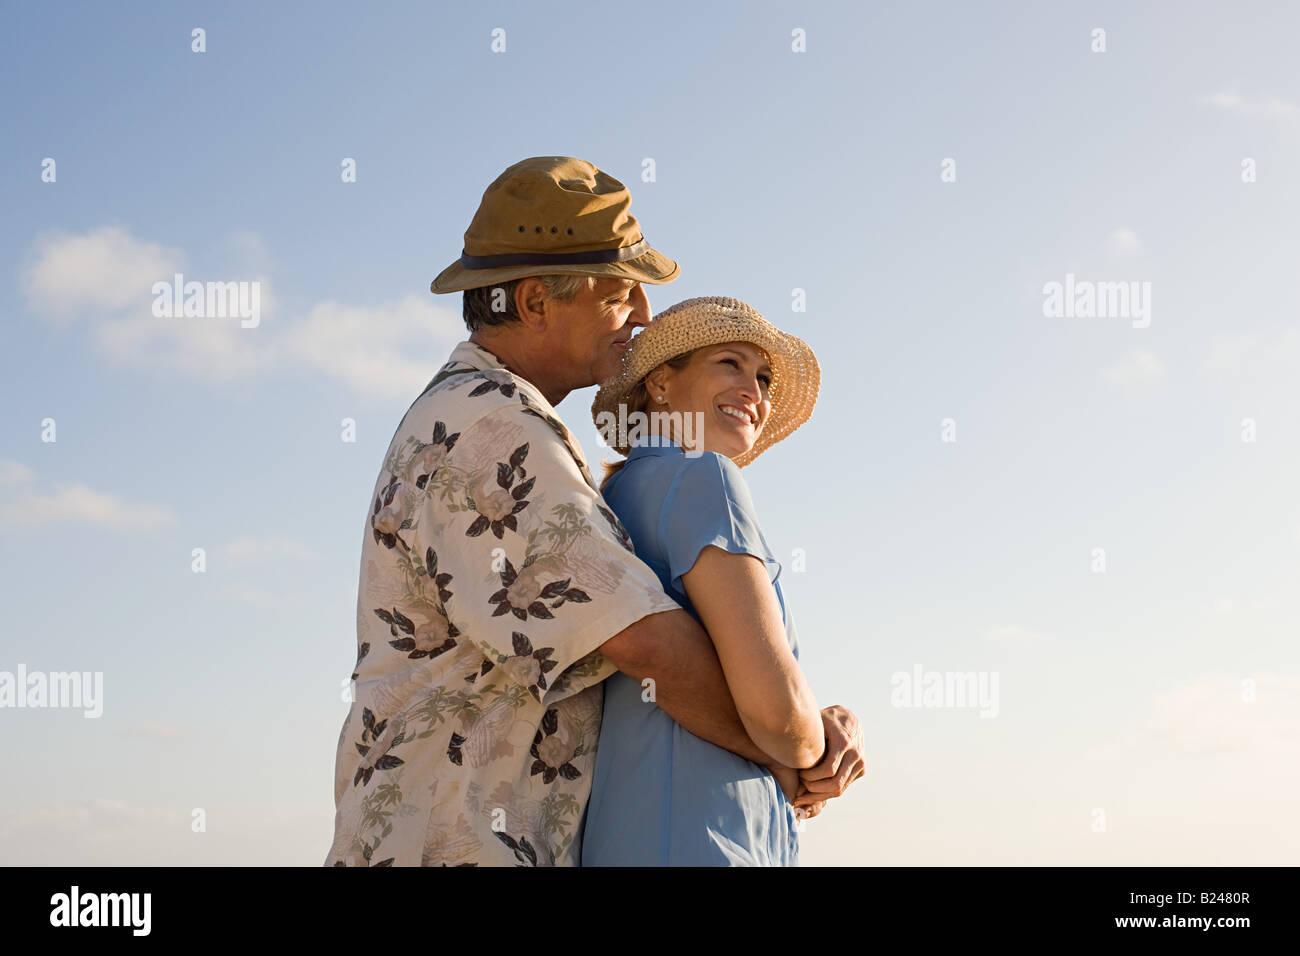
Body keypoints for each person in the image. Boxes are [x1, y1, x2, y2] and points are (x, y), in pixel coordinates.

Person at [325, 157, 862, 867]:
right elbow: (645, 646)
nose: (641, 314)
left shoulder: (496, 421)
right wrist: (796, 748)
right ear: (535, 303)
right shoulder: (493, 428)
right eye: (619, 292)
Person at [582, 296, 863, 865]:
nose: (754, 394)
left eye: (762, 377)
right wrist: (823, 744)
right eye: (729, 364)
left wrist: (818, 720)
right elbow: (779, 716)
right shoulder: (705, 478)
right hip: (704, 840)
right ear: (661, 383)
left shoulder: (615, 498)